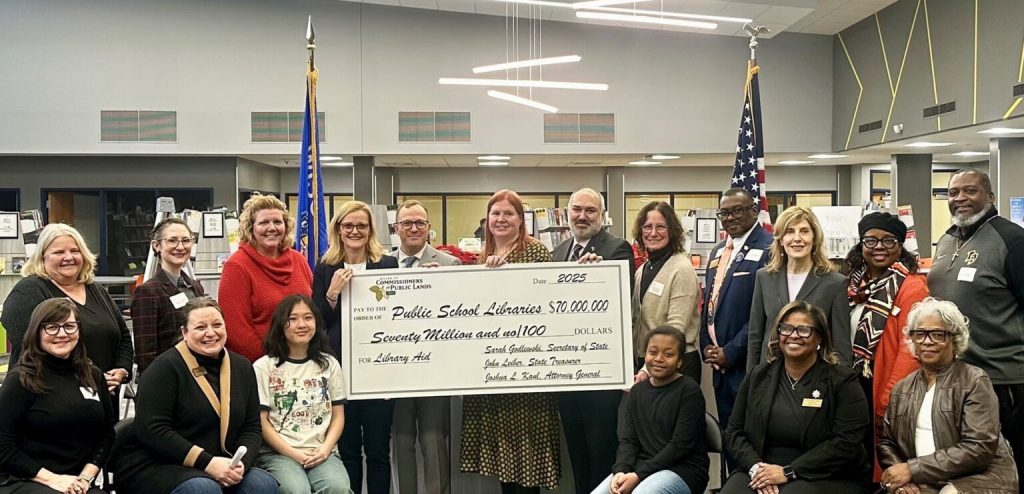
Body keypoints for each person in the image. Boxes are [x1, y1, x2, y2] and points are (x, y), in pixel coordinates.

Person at [113, 297, 276, 494]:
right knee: (203, 489)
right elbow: (152, 430)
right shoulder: (164, 369)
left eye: (217, 325)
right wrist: (207, 463)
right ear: (184, 332)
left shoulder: (242, 367)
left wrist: (241, 463)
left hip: (221, 461)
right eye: (200, 327)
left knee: (262, 485)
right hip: (159, 463)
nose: (210, 333)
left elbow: (251, 426)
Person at [926, 168, 1024, 490]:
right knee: (966, 468)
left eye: (970, 191)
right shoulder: (947, 239)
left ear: (990, 197)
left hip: (1003, 379)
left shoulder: (1011, 239)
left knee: (1009, 467)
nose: (960, 199)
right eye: (954, 193)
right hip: (954, 378)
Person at [460, 189, 559, 494]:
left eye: (508, 213)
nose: (501, 219)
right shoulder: (482, 257)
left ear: (521, 220)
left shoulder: (536, 252)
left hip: (526, 369)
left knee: (526, 457)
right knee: (505, 459)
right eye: (495, 214)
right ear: (487, 219)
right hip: (492, 371)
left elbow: (544, 304)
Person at [722, 301, 872, 494]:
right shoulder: (758, 376)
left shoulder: (842, 381)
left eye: (803, 330)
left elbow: (846, 442)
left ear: (820, 338)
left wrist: (789, 471)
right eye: (786, 329)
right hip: (762, 467)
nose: (793, 335)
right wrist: (756, 468)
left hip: (825, 473)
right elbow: (734, 432)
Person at [878, 297, 1018, 494]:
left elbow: (979, 448)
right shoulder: (902, 388)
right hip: (925, 480)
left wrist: (913, 469)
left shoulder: (974, 381)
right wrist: (903, 481)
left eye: (937, 334)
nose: (927, 342)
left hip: (982, 479)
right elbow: (887, 443)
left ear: (955, 339)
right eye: (920, 334)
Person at [551, 187, 636, 494]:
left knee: (601, 449)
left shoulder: (617, 249)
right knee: (576, 449)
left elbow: (619, 299)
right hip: (565, 369)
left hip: (600, 369)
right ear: (567, 213)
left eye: (590, 210)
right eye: (577, 209)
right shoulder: (558, 252)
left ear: (602, 216)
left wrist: (596, 275)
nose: (582, 216)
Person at [311, 201, 398, 494]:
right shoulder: (325, 267)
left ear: (371, 230)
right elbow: (317, 324)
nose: (355, 231)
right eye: (348, 226)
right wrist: (332, 292)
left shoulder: (387, 264)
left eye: (361, 226)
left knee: (378, 452)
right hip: (339, 373)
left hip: (378, 371)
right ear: (338, 229)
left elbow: (398, 313)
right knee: (347, 452)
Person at [0, 298, 116, 494]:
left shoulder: (92, 374)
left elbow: (106, 435)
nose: (62, 334)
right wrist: (53, 480)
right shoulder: (20, 380)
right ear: (37, 332)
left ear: (79, 331)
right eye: (52, 327)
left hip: (77, 482)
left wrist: (85, 478)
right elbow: (2, 444)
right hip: (25, 478)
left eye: (69, 326)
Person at [845, 212, 928, 481]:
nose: (879, 247)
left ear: (900, 246)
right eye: (871, 241)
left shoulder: (912, 287)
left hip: (882, 385)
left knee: (880, 457)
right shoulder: (852, 285)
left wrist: (889, 400)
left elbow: (910, 351)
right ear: (861, 245)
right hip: (851, 382)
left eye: (888, 241)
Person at [1, 223, 133, 393]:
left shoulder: (95, 289)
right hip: (50, 397)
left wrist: (122, 369)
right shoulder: (28, 292)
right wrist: (90, 376)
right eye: (58, 252)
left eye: (74, 251)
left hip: (102, 395)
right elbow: (32, 348)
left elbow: (123, 335)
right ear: (42, 257)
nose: (68, 257)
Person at [391, 200, 460, 494]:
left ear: (429, 228)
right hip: (396, 369)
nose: (414, 228)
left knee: (434, 441)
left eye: (420, 223)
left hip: (434, 371)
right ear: (396, 229)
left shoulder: (449, 264)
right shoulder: (380, 264)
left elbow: (461, 314)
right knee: (402, 442)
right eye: (407, 223)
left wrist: (440, 285)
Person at [590, 326, 709, 494]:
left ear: (680, 361)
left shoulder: (689, 391)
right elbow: (629, 441)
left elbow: (679, 446)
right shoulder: (637, 392)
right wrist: (621, 471)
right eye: (653, 352)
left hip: (683, 470)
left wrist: (638, 476)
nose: (659, 359)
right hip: (640, 468)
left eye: (668, 354)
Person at [253, 295, 352, 494]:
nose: (302, 324)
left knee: (338, 488)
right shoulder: (264, 366)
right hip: (278, 453)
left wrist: (325, 449)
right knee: (296, 490)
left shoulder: (329, 364)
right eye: (293, 318)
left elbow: (338, 415)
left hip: (321, 450)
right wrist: (294, 454)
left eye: (308, 318)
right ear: (281, 324)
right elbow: (261, 423)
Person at [700, 188, 773, 426]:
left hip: (746, 364)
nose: (730, 218)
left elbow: (764, 311)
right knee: (728, 438)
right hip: (719, 367)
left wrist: (730, 352)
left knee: (747, 438)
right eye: (724, 213)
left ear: (754, 211)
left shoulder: (770, 249)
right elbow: (711, 301)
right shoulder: (718, 250)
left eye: (737, 211)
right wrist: (707, 345)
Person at [748, 206, 851, 372]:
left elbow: (841, 345)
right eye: (789, 232)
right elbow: (755, 336)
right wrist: (751, 382)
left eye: (804, 231)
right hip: (770, 375)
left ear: (815, 238)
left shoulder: (835, 283)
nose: (797, 238)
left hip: (815, 378)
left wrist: (840, 386)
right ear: (780, 239)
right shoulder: (764, 277)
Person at [219, 193, 313, 362]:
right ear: (250, 228)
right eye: (263, 222)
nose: (272, 228)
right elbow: (237, 332)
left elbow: (312, 312)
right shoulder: (236, 266)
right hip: (261, 366)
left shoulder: (298, 259)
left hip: (304, 361)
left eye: (278, 222)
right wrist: (274, 362)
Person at [631, 201, 701, 383]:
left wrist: (648, 369)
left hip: (675, 364)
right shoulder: (643, 269)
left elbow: (676, 327)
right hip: (649, 363)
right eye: (647, 227)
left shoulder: (682, 268)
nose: (653, 233)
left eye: (660, 227)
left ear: (672, 230)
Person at [132, 218, 206, 375]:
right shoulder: (147, 292)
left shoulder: (196, 287)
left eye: (186, 241)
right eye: (172, 241)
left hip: (199, 376)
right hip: (168, 378)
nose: (180, 247)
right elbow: (146, 354)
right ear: (156, 246)